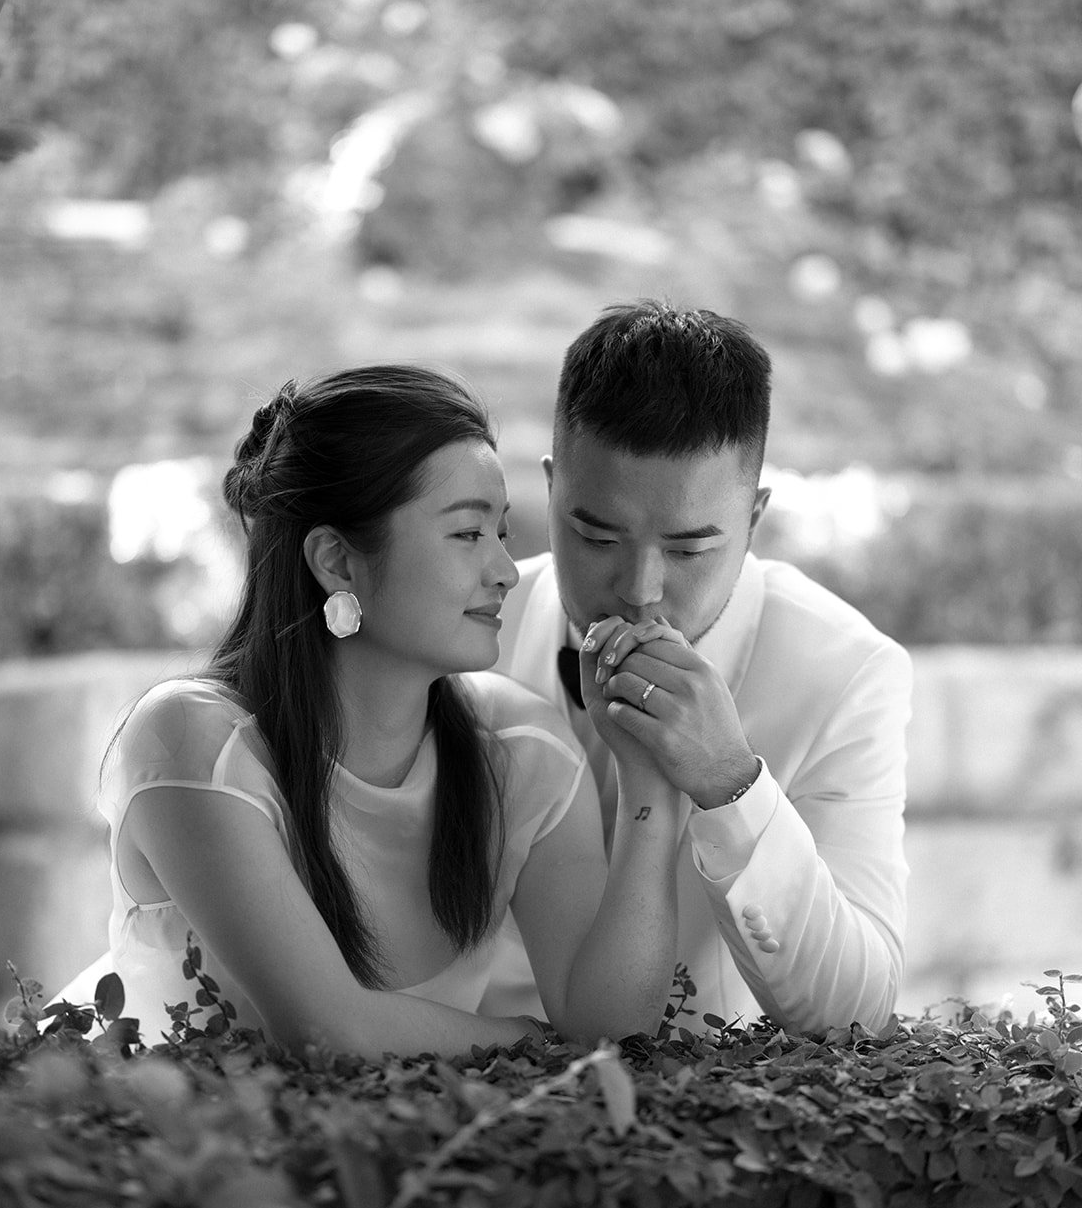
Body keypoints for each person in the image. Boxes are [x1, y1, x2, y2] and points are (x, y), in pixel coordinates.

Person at [50, 366, 682, 1057]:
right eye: (468, 535)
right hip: (168, 1147)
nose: (505, 570)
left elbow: (613, 1027)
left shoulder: (522, 750)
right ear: (337, 562)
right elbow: (327, 1031)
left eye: (501, 533)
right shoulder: (195, 743)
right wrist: (539, 1044)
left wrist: (652, 788)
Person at [482, 301, 912, 1034]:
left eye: (687, 550)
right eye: (595, 535)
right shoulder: (471, 628)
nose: (640, 588)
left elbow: (858, 1013)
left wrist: (729, 785)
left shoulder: (846, 673)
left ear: (754, 516)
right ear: (551, 489)